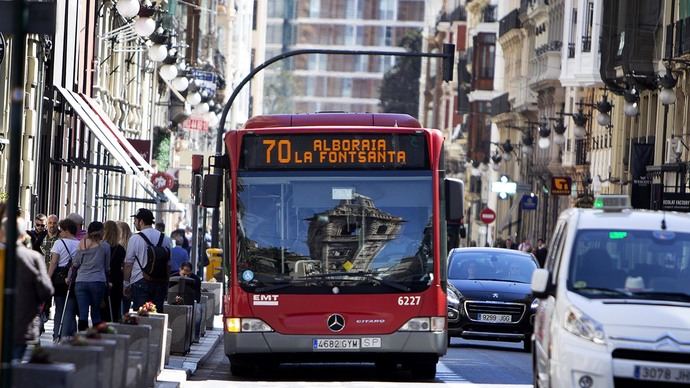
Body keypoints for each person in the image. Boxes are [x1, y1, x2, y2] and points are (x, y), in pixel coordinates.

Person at [3, 211, 54, 361]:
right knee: (15, 363)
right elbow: (46, 290)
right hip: (22, 323)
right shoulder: (33, 258)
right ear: (23, 236)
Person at [123, 208, 172, 313]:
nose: (134, 222)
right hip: (160, 281)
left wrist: (126, 283)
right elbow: (168, 264)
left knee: (141, 315)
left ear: (141, 221)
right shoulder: (165, 239)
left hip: (139, 281)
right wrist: (166, 283)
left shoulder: (135, 238)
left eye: (135, 220)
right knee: (157, 316)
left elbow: (128, 264)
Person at [72, 221, 110, 330]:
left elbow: (76, 263)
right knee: (96, 312)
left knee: (83, 314)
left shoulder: (82, 243)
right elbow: (107, 267)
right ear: (101, 231)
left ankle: (82, 339)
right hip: (98, 281)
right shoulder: (105, 246)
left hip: (81, 281)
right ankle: (95, 339)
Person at [48, 218, 79, 340]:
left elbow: (54, 262)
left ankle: (57, 335)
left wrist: (48, 277)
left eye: (61, 229)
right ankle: (69, 336)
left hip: (59, 279)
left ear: (67, 230)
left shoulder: (58, 243)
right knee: (70, 310)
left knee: (59, 309)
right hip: (74, 278)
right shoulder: (79, 244)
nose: (59, 232)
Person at [38, 214, 59, 330]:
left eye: (54, 223)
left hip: (56, 275)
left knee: (55, 299)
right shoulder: (42, 236)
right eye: (50, 223)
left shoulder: (61, 237)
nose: (52, 225)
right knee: (43, 301)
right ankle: (42, 320)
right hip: (43, 273)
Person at [103, 220, 125, 322]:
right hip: (116, 281)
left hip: (103, 279)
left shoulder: (100, 247)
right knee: (115, 309)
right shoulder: (120, 249)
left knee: (102, 309)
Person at [117, 221, 133, 314]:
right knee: (126, 303)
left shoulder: (116, 246)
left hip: (118, 278)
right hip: (130, 277)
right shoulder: (132, 242)